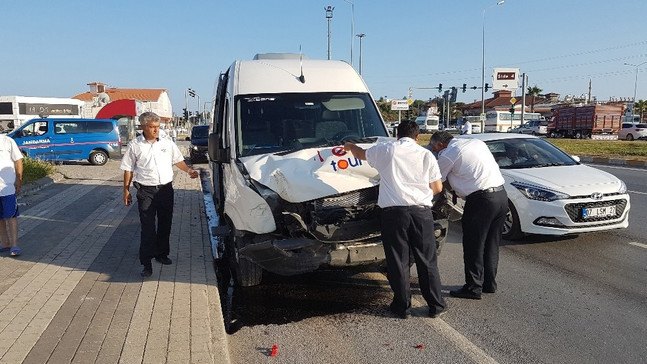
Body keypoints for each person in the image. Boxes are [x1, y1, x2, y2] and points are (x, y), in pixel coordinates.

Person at [344, 120, 447, 319]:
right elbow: (437, 188)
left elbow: (360, 154)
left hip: (394, 214)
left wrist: (349, 146)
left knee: (398, 260)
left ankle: (402, 307)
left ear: (396, 135)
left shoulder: (387, 150)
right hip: (421, 212)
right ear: (417, 138)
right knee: (427, 260)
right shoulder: (426, 155)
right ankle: (436, 305)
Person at [429, 131, 507, 299]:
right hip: (501, 196)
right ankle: (489, 284)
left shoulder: (448, 154)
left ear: (440, 145)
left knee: (474, 245)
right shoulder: (474, 142)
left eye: (435, 148)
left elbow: (436, 181)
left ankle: (473, 288)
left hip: (481, 201)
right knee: (491, 244)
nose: (435, 152)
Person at [121, 112, 199, 277]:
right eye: (152, 127)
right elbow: (128, 168)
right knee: (147, 228)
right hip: (145, 191)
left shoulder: (167, 142)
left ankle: (162, 254)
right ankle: (146, 263)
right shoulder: (135, 145)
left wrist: (189, 171)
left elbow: (178, 160)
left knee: (165, 224)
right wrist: (126, 190)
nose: (156, 130)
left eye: (157, 127)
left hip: (165, 190)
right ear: (143, 127)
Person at [0, 134, 23, 257]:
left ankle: (14, 244)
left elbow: (18, 160)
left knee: (11, 216)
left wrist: (18, 179)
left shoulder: (7, 141)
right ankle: (5, 243)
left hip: (7, 187)